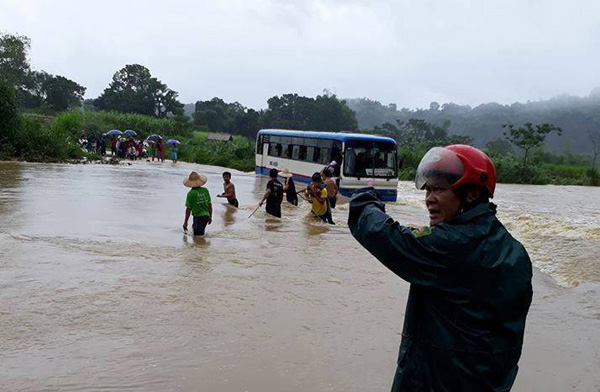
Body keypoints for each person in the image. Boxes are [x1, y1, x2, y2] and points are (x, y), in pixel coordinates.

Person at [348, 145, 533, 391]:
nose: (429, 199)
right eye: (427, 190)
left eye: (439, 189)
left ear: (470, 195)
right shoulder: (514, 251)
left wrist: (365, 200)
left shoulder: (451, 245)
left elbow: (385, 237)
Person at [182, 171, 212, 236]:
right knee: (198, 234)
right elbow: (209, 204)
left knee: (198, 237)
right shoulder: (205, 190)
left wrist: (185, 222)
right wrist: (210, 216)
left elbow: (188, 209)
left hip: (198, 217)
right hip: (206, 215)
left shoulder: (191, 194)